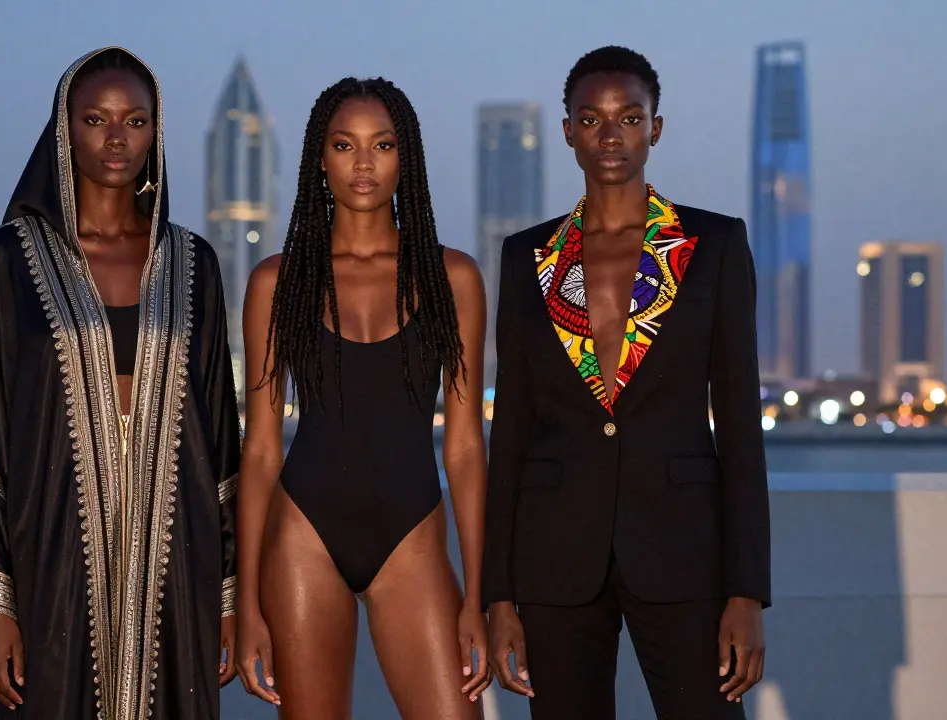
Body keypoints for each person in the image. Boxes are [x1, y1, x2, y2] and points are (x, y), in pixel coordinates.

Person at [0, 46, 240, 720]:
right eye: (96, 119)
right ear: (65, 129)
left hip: (174, 566)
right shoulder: (10, 260)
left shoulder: (194, 263)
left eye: (136, 121)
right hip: (46, 561)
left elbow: (221, 444)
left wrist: (226, 599)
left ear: (156, 132)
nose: (117, 138)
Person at [484, 46, 771, 718]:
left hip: (682, 553)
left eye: (628, 117)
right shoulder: (528, 257)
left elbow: (738, 428)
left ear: (655, 129)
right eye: (591, 119)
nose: (610, 134)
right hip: (556, 559)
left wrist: (747, 593)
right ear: (567, 133)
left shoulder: (713, 246)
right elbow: (513, 431)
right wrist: (498, 595)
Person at [234, 77, 492, 718]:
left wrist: (477, 597)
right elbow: (261, 451)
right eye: (345, 145)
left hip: (412, 536)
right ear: (319, 158)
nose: (364, 163)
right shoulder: (278, 280)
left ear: (407, 156)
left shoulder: (452, 278)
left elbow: (462, 448)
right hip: (303, 536)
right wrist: (244, 605)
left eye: (383, 145)